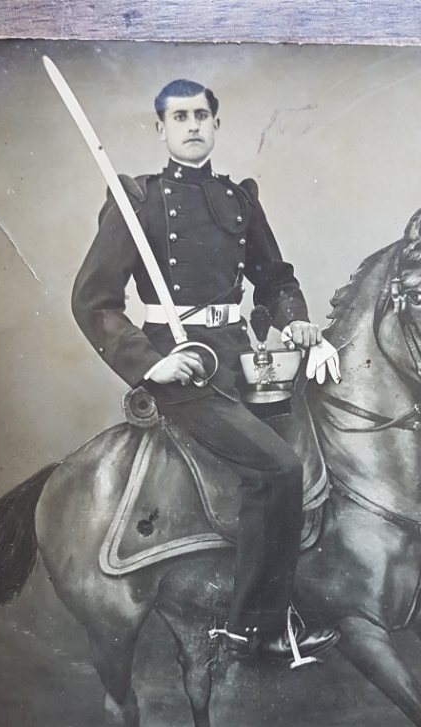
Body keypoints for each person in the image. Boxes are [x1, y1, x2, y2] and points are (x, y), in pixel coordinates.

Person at [72, 78, 338, 660]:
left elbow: (275, 278)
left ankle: (298, 598)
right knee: (278, 469)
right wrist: (151, 363)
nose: (192, 126)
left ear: (216, 125)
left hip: (244, 358)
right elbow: (94, 300)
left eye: (202, 116)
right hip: (184, 366)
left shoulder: (239, 198)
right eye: (179, 117)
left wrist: (295, 319)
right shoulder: (137, 198)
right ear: (161, 128)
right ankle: (255, 628)